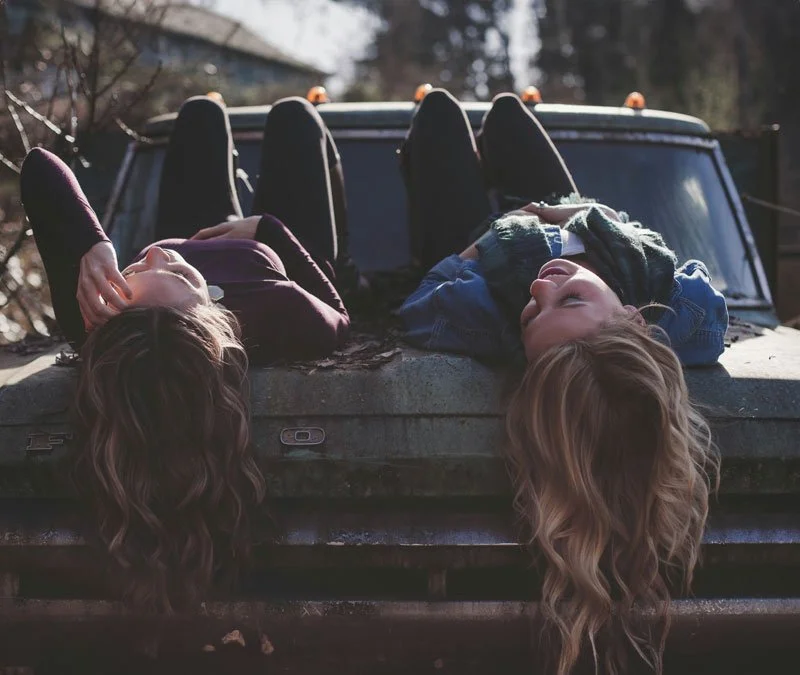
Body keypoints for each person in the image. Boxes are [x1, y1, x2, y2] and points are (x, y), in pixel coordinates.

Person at [397, 89, 722, 675]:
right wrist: (589, 229)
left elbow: (421, 306)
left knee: (439, 114)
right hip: (584, 219)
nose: (541, 289)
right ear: (634, 321)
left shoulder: (491, 311)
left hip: (491, 239)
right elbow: (699, 293)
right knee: (506, 113)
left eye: (532, 316)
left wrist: (485, 243)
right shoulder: (675, 316)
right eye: (568, 299)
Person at [19, 95, 352, 611]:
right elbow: (339, 312)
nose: (155, 253)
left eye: (132, 272)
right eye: (175, 275)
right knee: (295, 117)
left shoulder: (98, 318)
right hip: (269, 247)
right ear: (210, 315)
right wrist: (268, 230)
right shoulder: (276, 310)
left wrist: (92, 246)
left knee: (199, 112)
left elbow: (40, 166)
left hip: (197, 221)